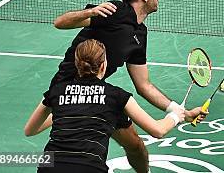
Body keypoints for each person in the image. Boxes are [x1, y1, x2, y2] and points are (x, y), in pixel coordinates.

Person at [30, 0, 205, 173]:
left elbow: (144, 85)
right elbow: (60, 22)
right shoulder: (115, 12)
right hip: (66, 90)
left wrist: (177, 110)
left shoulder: (139, 34)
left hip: (98, 94)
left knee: (136, 146)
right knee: (76, 148)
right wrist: (90, 12)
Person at [25, 39, 201, 172]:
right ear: (104, 65)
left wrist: (67, 109)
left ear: (77, 65)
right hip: (89, 167)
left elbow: (30, 130)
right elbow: (157, 130)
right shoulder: (116, 96)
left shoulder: (57, 91)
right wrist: (178, 115)